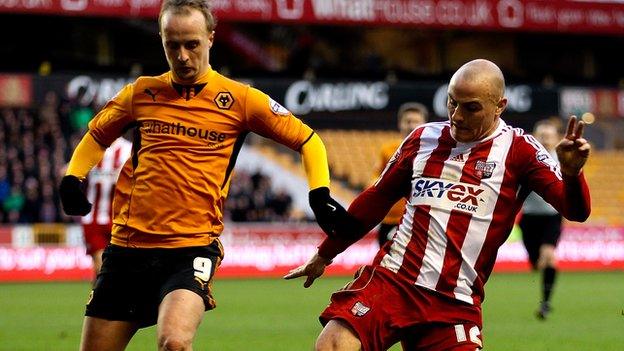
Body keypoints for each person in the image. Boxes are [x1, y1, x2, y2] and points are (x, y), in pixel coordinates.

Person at [58, 1, 342, 349]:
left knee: (174, 342)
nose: (182, 56)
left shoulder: (240, 100)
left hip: (190, 249)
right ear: (161, 40)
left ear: (210, 38)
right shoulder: (139, 94)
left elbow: (309, 140)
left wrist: (319, 193)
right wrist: (73, 177)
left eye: (191, 44)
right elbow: (96, 137)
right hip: (127, 250)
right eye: (171, 45)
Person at [285, 59, 591, 351]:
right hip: (394, 280)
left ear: (500, 107)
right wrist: (325, 253)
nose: (457, 116)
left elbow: (575, 211)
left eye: (471, 108)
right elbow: (376, 200)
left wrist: (572, 174)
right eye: (452, 102)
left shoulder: (520, 150)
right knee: (334, 343)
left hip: (454, 299)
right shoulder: (423, 138)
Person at [519, 119, 563, 320]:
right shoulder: (526, 160)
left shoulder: (563, 161)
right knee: (536, 263)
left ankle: (545, 303)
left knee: (549, 256)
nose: (545, 140)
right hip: (528, 219)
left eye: (549, 136)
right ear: (534, 137)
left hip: (552, 218)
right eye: (541, 136)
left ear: (556, 139)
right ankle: (538, 266)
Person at [373, 102, 428, 247]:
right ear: (400, 124)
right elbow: (375, 180)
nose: (411, 125)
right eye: (407, 121)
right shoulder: (387, 150)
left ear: (424, 124)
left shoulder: (433, 151)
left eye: (416, 121)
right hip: (390, 220)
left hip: (419, 221)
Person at [80, 136, 132, 282]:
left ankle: (104, 300)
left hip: (120, 220)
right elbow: (71, 170)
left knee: (120, 268)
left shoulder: (128, 149)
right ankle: (98, 303)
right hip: (94, 219)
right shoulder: (92, 147)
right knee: (100, 267)